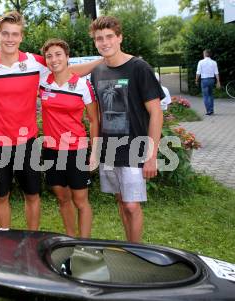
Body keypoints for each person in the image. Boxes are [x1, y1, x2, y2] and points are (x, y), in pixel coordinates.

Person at [0, 11, 100, 230]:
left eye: (15, 34)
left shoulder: (35, 62)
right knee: (1, 197)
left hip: (29, 143)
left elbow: (66, 69)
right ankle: (6, 241)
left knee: (33, 195)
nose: (10, 38)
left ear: (21, 37)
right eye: (5, 33)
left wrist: (102, 61)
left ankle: (31, 241)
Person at [89, 16, 164, 243]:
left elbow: (156, 112)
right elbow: (100, 113)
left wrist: (151, 156)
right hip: (110, 149)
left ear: (119, 37)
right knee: (121, 200)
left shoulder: (139, 68)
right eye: (99, 38)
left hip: (135, 148)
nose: (105, 42)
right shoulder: (97, 72)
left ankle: (137, 249)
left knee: (132, 205)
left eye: (109, 36)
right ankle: (129, 246)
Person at [39, 38, 99, 238]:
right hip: (51, 150)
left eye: (58, 54)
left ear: (67, 58)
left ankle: (84, 244)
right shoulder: (42, 82)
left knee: (80, 200)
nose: (54, 59)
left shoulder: (82, 85)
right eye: (49, 56)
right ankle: (71, 240)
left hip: (76, 149)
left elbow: (93, 120)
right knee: (62, 198)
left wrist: (95, 153)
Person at [195, 49, 221, 115]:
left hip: (204, 80)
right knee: (211, 95)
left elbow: (198, 72)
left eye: (203, 53)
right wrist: (218, 81)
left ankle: (208, 111)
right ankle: (211, 110)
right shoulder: (214, 62)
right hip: (212, 80)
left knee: (205, 96)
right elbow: (216, 73)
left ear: (205, 54)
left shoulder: (201, 62)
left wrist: (196, 80)